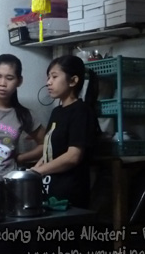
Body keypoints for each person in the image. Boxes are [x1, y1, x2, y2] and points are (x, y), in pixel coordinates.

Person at [31, 54, 100, 208]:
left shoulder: (81, 112)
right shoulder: (57, 112)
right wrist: (34, 171)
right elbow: (49, 151)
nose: (48, 82)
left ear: (73, 81)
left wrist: (39, 172)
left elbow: (72, 156)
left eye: (54, 77)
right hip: (50, 188)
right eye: (48, 77)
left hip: (70, 194)